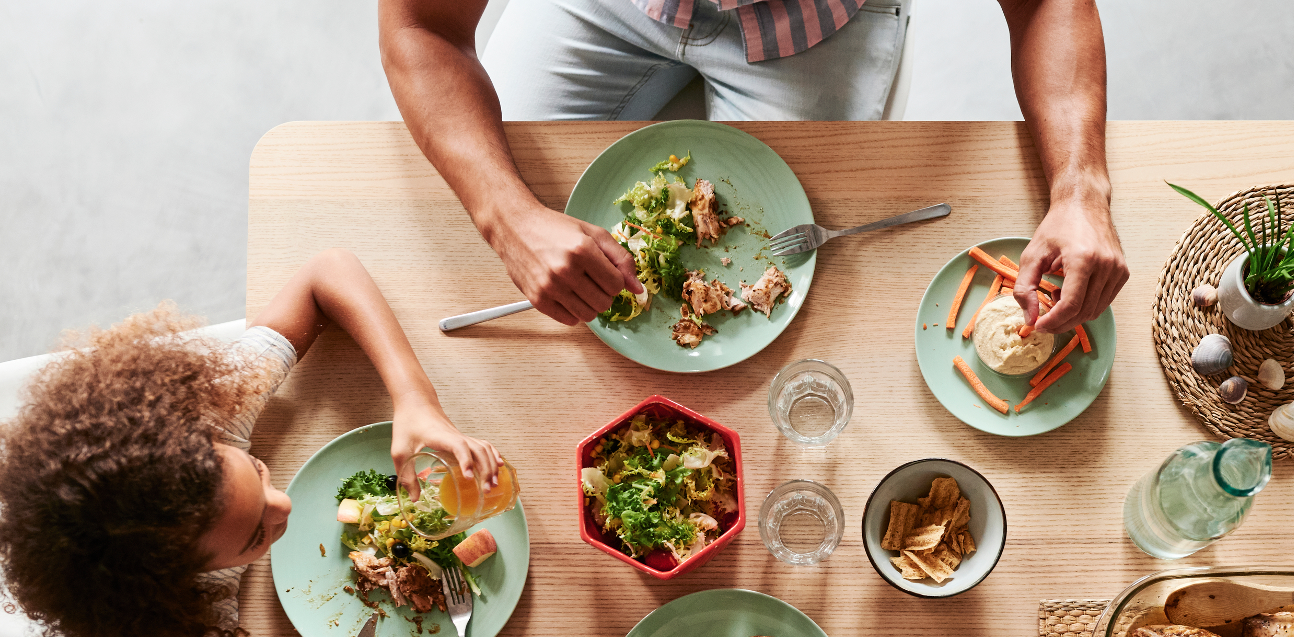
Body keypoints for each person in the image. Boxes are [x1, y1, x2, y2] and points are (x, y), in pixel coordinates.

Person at [0, 249, 535, 637]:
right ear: (181, 579)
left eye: (257, 472)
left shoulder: (209, 418)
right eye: (255, 534)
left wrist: (416, 398)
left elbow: (326, 272)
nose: (286, 506)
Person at [378, 0, 1128, 338]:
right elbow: (420, 24)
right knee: (480, 225)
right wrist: (507, 219)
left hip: (822, 25)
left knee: (792, 310)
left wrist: (1081, 189)